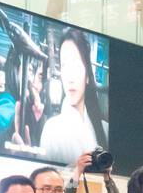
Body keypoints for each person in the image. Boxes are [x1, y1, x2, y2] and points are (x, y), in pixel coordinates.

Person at [38, 29, 108, 166]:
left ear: (88, 75)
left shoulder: (105, 129)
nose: (70, 78)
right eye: (64, 65)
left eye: (76, 65)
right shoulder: (52, 130)